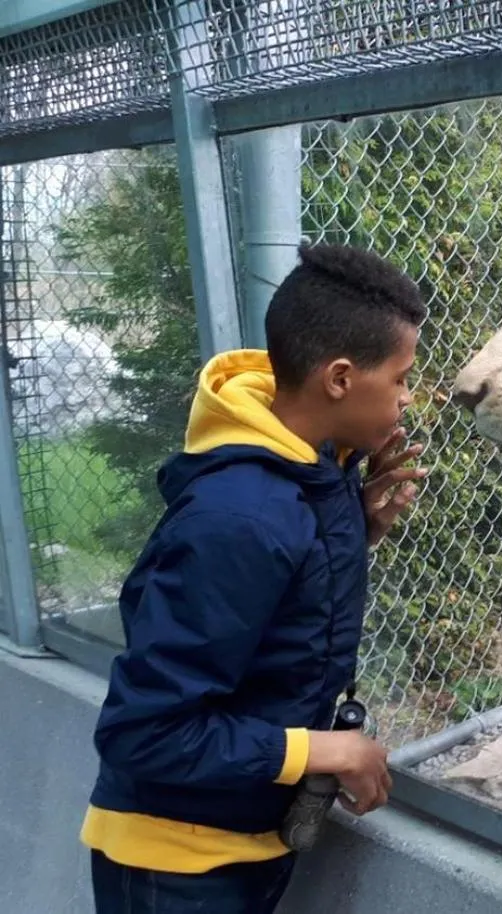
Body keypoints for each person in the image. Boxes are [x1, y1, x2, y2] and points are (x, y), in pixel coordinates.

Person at [78, 242, 430, 914]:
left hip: (236, 839)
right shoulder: (238, 518)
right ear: (339, 379)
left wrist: (360, 528)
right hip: (175, 867)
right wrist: (322, 749)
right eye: (401, 378)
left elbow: (279, 608)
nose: (408, 397)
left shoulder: (309, 466)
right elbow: (145, 731)